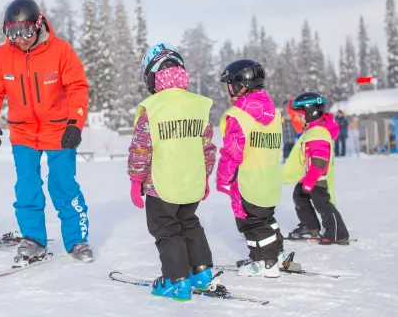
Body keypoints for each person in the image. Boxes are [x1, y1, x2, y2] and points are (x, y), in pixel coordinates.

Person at [0, 0, 92, 265]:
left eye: (26, 31)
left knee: (63, 185)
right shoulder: (2, 56)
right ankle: (34, 240)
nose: (21, 39)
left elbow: (77, 87)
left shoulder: (60, 50)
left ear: (38, 24)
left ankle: (77, 239)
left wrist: (75, 123)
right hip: (23, 133)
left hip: (60, 131)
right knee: (27, 187)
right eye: (13, 33)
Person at [128, 43, 217, 301]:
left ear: (151, 76)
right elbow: (207, 146)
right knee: (189, 224)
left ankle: (176, 281)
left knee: (166, 229)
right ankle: (201, 273)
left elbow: (142, 150)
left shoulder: (152, 108)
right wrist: (205, 176)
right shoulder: (199, 105)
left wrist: (136, 180)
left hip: (161, 185)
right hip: (191, 183)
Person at [216, 59, 292, 278]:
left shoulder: (237, 116)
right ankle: (275, 255)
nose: (229, 90)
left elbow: (232, 153)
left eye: (230, 84)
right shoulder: (275, 114)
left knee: (251, 224)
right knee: (266, 218)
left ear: (240, 85)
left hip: (248, 181)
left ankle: (265, 263)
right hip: (269, 179)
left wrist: (223, 179)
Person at [282, 92, 350, 245]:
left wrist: (310, 180)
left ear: (311, 113)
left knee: (322, 203)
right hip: (310, 175)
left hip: (318, 178)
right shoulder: (314, 130)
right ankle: (310, 226)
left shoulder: (318, 133)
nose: (298, 120)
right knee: (299, 196)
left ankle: (338, 233)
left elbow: (320, 160)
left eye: (300, 116)